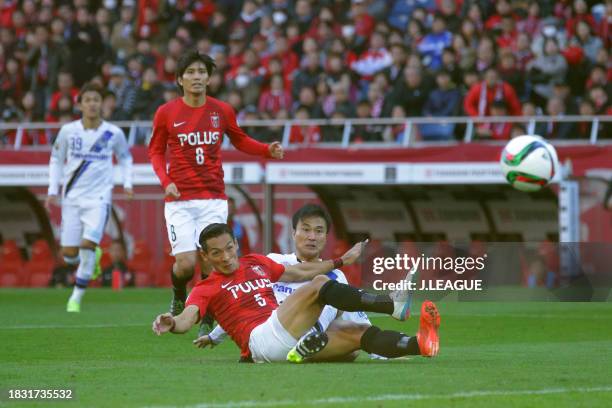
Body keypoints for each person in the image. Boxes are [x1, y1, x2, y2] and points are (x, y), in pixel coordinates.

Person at [152, 223, 440, 363]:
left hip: (286, 333)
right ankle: (392, 305)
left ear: (236, 244)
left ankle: (420, 343)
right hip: (260, 341)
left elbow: (300, 271)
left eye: (229, 248)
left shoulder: (256, 263)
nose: (226, 257)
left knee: (356, 333)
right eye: (216, 253)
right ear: (205, 257)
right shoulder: (205, 287)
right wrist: (173, 322)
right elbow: (188, 318)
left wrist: (340, 262)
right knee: (317, 284)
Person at [147, 49, 284, 319]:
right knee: (186, 266)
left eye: (202, 72)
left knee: (213, 262)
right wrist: (166, 181)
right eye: (191, 72)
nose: (197, 77)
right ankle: (178, 293)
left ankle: (206, 319)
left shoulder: (221, 110)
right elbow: (154, 151)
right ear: (180, 79)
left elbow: (240, 140)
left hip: (213, 198)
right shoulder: (166, 113)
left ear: (209, 79)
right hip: (180, 200)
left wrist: (267, 149)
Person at [202, 204, 389, 361]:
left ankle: (307, 346)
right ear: (293, 233)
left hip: (305, 342)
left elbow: (358, 321)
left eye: (318, 231)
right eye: (305, 230)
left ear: (326, 237)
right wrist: (214, 335)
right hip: (271, 334)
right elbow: (245, 301)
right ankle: (391, 305)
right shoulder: (274, 262)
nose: (312, 237)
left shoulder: (337, 277)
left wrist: (382, 352)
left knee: (352, 352)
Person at [46, 82, 133, 312]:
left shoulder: (112, 133)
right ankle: (89, 256)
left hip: (99, 199)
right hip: (72, 199)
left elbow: (125, 158)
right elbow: (56, 159)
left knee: (87, 244)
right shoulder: (68, 131)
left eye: (96, 99)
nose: (93, 103)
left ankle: (76, 297)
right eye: (88, 100)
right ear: (80, 104)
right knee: (69, 254)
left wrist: (127, 183)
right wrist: (52, 191)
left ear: (101, 103)